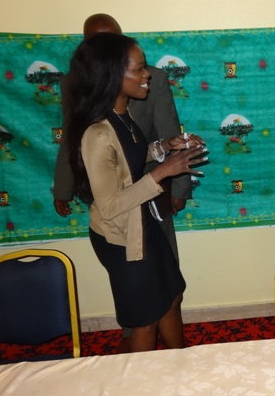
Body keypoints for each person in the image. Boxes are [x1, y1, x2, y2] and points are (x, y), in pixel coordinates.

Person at [66, 32, 207, 352]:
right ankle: (137, 376)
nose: (148, 75)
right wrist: (163, 171)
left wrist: (165, 146)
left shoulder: (122, 113)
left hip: (142, 222)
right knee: (146, 319)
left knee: (172, 296)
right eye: (139, 69)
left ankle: (179, 366)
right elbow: (109, 206)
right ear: (113, 76)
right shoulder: (97, 133)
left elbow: (128, 160)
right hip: (120, 237)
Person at [54, 13, 188, 264]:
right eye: (97, 42)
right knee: (133, 265)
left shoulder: (152, 79)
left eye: (113, 40)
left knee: (165, 265)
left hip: (151, 193)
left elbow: (164, 134)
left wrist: (178, 184)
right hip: (111, 196)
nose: (144, 76)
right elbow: (71, 137)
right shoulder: (76, 87)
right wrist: (63, 187)